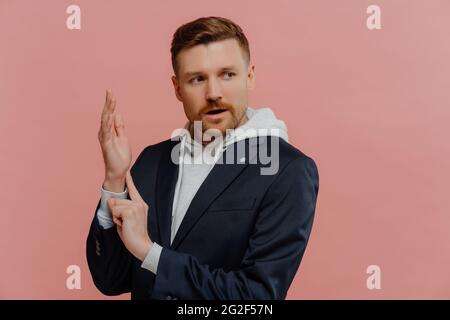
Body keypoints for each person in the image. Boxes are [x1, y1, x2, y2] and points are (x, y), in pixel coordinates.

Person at [86, 16, 319, 300]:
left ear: (250, 76)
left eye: (227, 75)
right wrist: (114, 179)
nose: (213, 93)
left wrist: (151, 253)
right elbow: (110, 280)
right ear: (177, 88)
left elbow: (256, 298)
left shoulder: (287, 170)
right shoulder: (153, 160)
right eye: (197, 79)